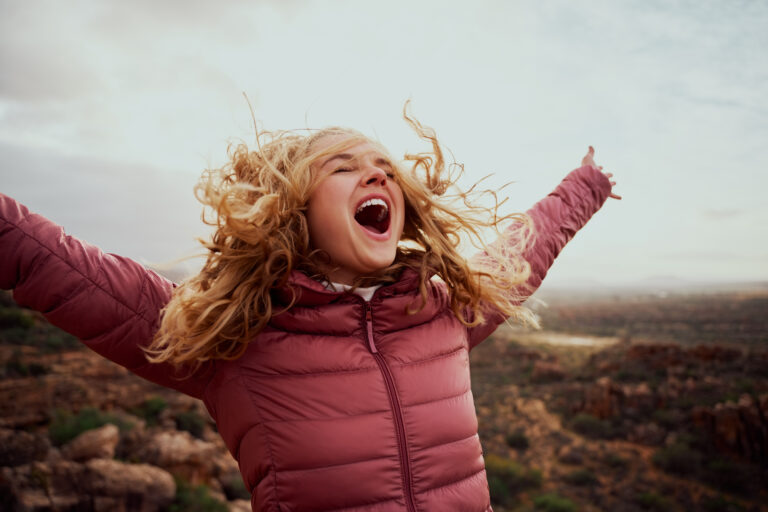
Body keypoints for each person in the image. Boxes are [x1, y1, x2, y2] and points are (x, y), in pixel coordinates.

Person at [0, 111, 619, 511]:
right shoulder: (232, 335)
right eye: (344, 169)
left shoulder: (440, 308)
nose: (375, 179)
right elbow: (65, 269)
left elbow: (522, 247)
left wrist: (586, 185)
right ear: (294, 207)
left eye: (385, 171)